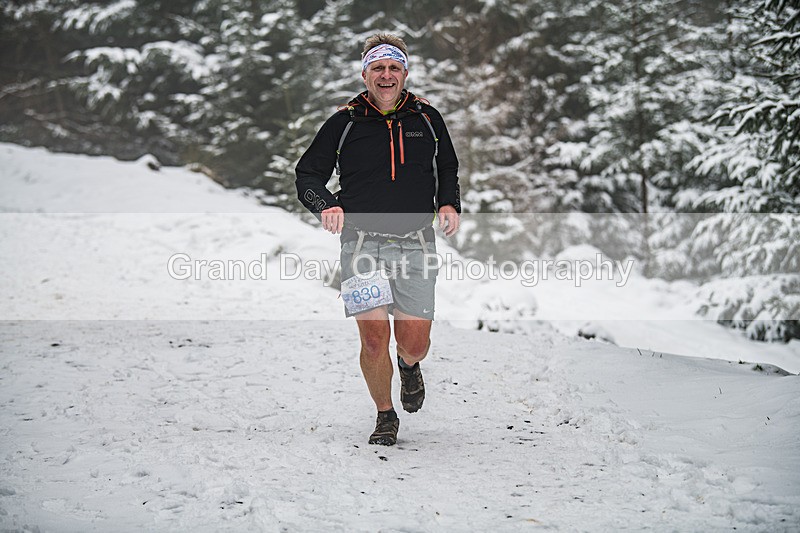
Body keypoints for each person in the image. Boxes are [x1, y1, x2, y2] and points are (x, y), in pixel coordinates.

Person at [295, 33, 460, 446]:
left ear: (405, 73)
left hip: (417, 242)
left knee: (414, 343)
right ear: (365, 73)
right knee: (373, 338)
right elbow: (307, 174)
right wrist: (326, 205)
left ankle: (409, 366)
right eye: (378, 68)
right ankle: (384, 415)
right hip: (361, 244)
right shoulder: (344, 123)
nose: (386, 75)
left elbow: (448, 167)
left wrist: (448, 204)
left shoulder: (427, 118)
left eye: (393, 67)